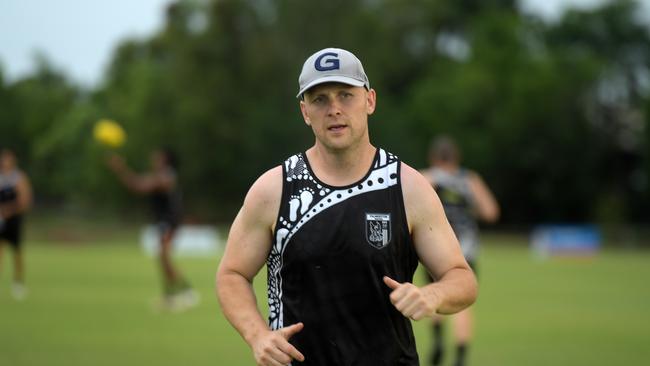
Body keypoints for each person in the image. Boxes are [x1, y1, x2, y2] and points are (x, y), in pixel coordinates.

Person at [216, 47, 478, 366]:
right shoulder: (274, 190)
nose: (334, 109)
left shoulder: (408, 187)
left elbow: (462, 279)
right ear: (305, 111)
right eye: (320, 99)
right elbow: (232, 274)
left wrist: (431, 295)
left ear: (369, 101)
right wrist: (257, 335)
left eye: (345, 95)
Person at [420, 136, 500, 366]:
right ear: (456, 157)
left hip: (435, 247)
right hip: (466, 249)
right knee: (463, 304)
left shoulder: (427, 177)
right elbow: (491, 212)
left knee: (434, 292)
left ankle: (437, 342)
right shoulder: (470, 180)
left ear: (433, 157)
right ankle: (461, 358)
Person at [107, 148, 198, 311]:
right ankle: (171, 295)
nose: (154, 159)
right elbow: (137, 184)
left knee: (164, 257)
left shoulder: (167, 176)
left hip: (170, 222)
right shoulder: (161, 175)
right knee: (163, 258)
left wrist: (121, 168)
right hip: (164, 222)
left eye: (158, 157)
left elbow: (139, 186)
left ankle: (186, 291)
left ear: (165, 160)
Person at [0, 148, 33, 300]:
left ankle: (18, 283)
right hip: (0, 218)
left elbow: (25, 200)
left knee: (16, 251)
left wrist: (9, 210)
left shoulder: (18, 178)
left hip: (14, 219)